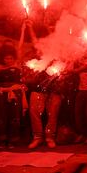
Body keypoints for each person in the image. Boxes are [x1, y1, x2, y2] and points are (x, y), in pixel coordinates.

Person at [23, 20, 61, 149]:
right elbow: (34, 41)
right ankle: (37, 137)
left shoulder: (58, 53)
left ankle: (50, 137)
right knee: (34, 112)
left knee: (53, 113)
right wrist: (30, 27)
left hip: (54, 88)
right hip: (37, 87)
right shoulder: (38, 55)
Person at [0, 45, 27, 149]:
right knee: (1, 116)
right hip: (0, 93)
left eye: (11, 58)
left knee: (14, 116)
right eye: (6, 58)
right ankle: (2, 141)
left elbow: (22, 82)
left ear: (14, 58)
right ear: (2, 58)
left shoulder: (18, 68)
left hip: (16, 94)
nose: (8, 60)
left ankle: (12, 141)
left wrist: (23, 30)